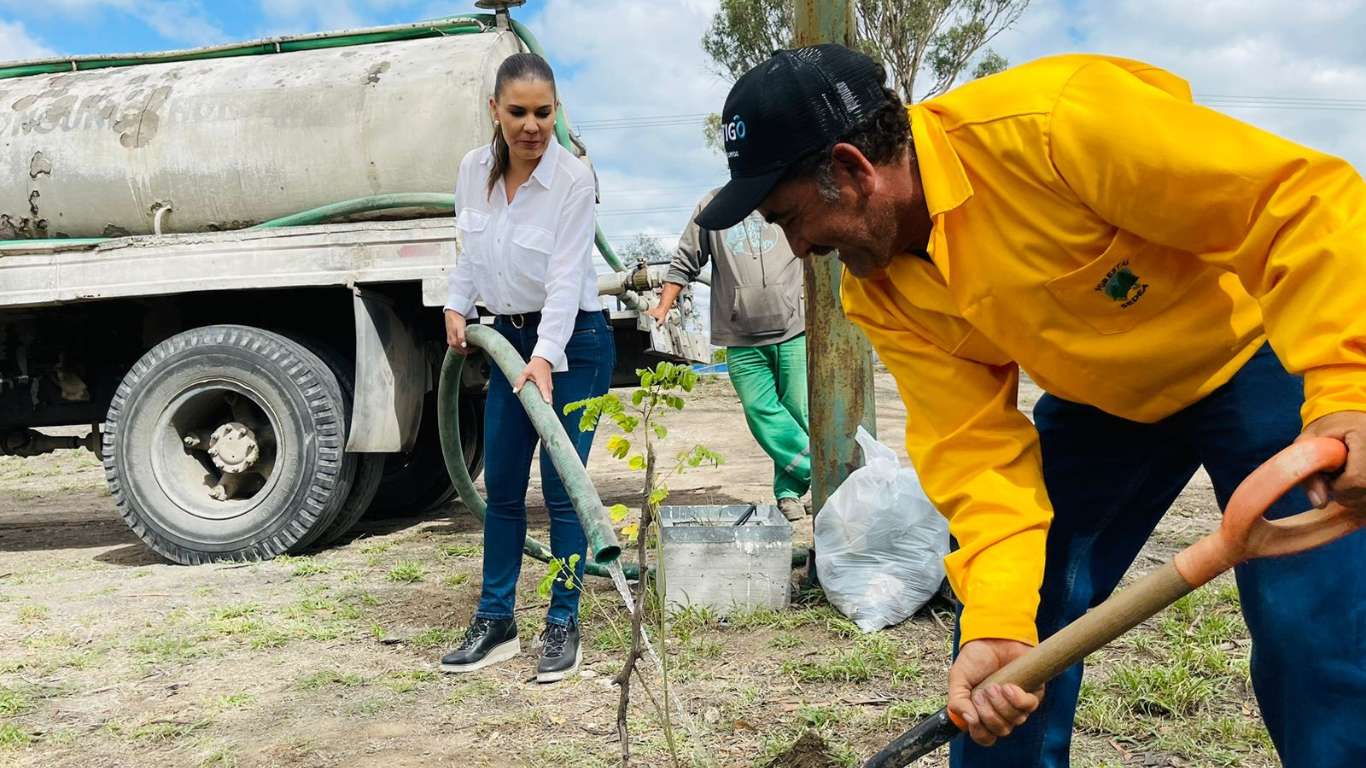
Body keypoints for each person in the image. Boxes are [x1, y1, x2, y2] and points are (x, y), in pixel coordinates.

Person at [696, 44, 1366, 767]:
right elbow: (973, 448)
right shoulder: (880, 291)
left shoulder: (1054, 124)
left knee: (1317, 627)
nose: (797, 247)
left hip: (1251, 355)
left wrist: (1347, 391)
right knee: (1007, 630)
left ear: (854, 170)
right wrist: (996, 624)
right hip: (1099, 398)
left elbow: (1298, 203)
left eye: (791, 217)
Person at [439, 52, 614, 683]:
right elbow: (470, 251)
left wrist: (546, 355)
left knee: (564, 491)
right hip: (508, 342)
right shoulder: (471, 172)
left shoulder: (573, 179)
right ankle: (496, 622)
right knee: (504, 486)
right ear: (495, 110)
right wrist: (458, 305)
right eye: (518, 112)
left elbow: (567, 278)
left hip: (573, 345)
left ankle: (563, 622)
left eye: (543, 112)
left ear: (556, 111)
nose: (531, 126)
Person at [646, 189, 811, 521]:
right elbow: (685, 259)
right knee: (760, 411)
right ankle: (819, 472)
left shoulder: (789, 191)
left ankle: (789, 493)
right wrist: (663, 306)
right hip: (739, 337)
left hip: (794, 328)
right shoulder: (713, 206)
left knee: (797, 412)